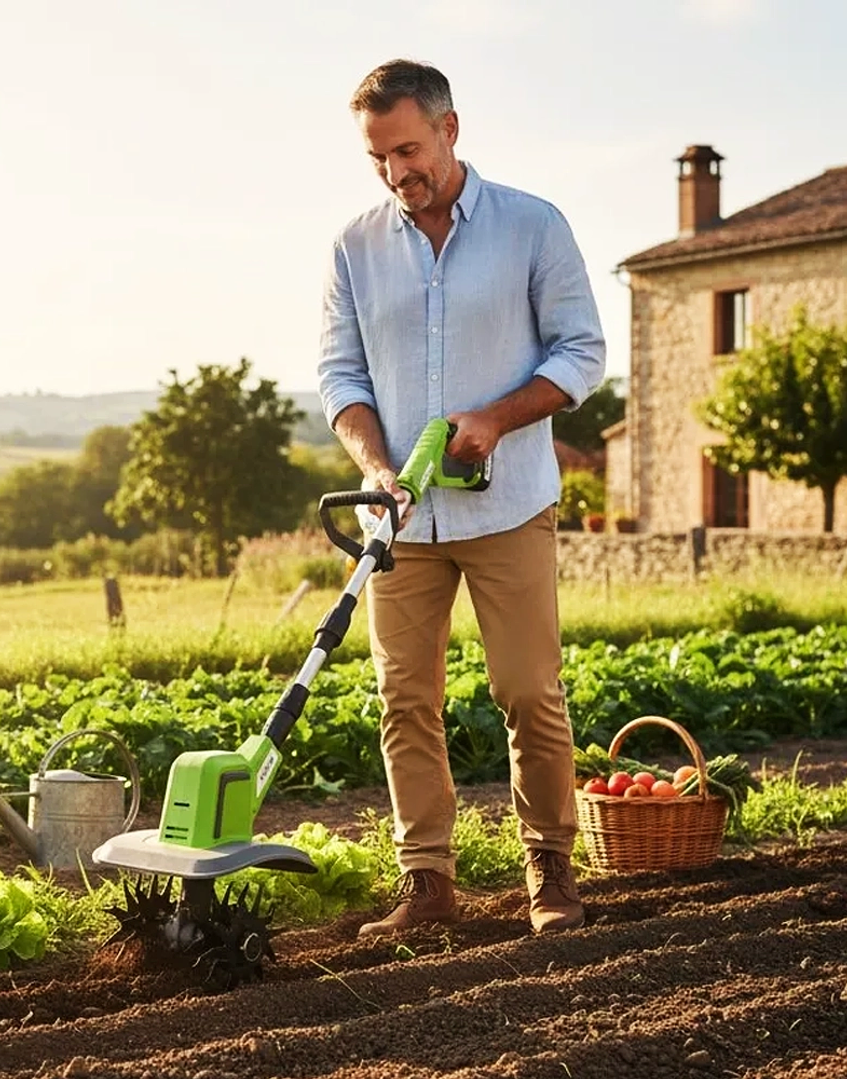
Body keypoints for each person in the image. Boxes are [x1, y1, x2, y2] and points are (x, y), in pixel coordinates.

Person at [318, 59, 606, 936]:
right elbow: (340, 375)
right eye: (377, 157)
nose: (396, 171)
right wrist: (375, 467)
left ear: (449, 129)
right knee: (404, 695)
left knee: (527, 690)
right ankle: (428, 884)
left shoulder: (531, 226)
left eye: (407, 148)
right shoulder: (354, 245)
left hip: (507, 502)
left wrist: (499, 417)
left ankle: (548, 870)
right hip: (401, 519)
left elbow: (580, 352)